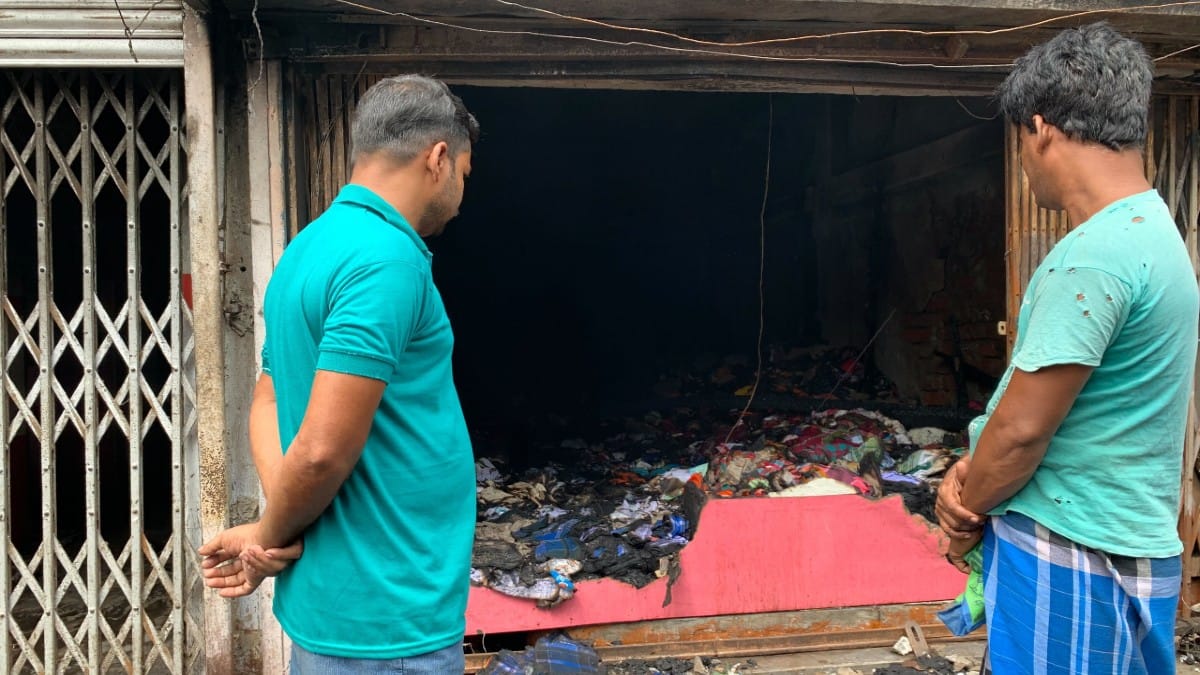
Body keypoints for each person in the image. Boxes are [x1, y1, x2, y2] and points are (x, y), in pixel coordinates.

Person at [935, 22, 1199, 674]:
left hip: (1073, 555)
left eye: (1020, 141)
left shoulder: (1094, 255)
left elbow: (1021, 433)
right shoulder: (1154, 231)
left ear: (1040, 128)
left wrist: (965, 507)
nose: (1024, 162)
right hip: (1128, 544)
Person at [198, 74, 480, 674]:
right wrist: (268, 533)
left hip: (337, 607)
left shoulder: (309, 247)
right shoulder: (386, 259)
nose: (461, 195)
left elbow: (269, 401)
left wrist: (278, 524)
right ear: (437, 158)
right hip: (389, 614)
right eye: (463, 172)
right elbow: (322, 453)